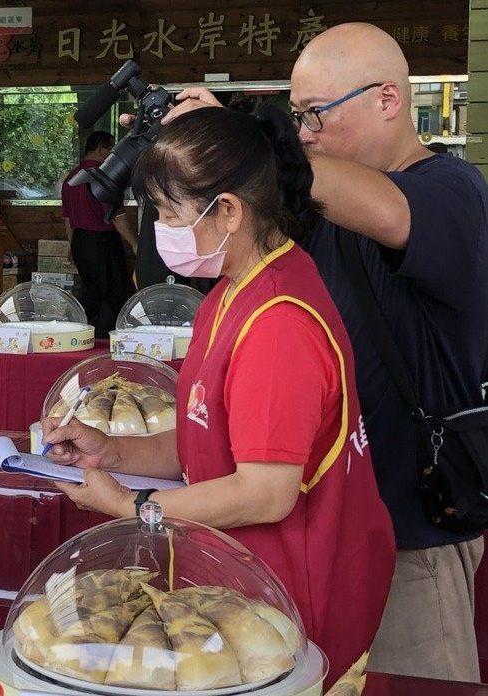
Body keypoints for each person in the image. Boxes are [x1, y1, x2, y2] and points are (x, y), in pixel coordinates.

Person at [164, 23, 488, 682]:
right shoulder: (321, 208)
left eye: (314, 115)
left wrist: (248, 146)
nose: (303, 133)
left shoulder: (449, 190)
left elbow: (389, 215)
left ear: (388, 100)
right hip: (322, 536)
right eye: (294, 119)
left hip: (410, 534)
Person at [42, 104, 395, 684]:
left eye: (166, 212)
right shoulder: (232, 290)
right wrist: (110, 453)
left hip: (290, 599)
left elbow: (266, 493)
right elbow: (204, 436)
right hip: (238, 583)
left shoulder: (279, 322)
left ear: (227, 210)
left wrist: (130, 508)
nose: (158, 228)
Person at [62, 131, 139, 337]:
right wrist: (134, 242)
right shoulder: (103, 176)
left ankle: (78, 327)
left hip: (80, 241)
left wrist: (71, 244)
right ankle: (101, 338)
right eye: (110, 150)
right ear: (100, 150)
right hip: (102, 242)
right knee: (110, 295)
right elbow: (117, 215)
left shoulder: (71, 177)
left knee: (92, 290)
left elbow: (67, 218)